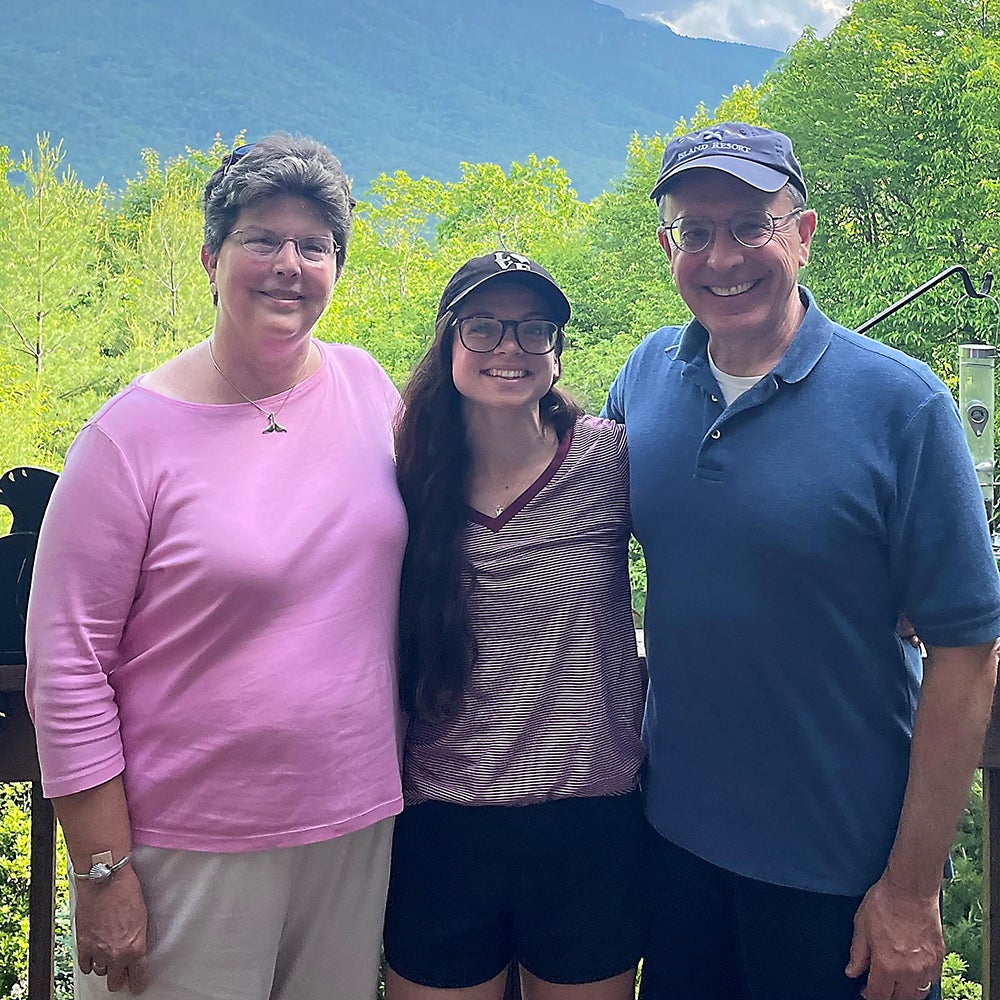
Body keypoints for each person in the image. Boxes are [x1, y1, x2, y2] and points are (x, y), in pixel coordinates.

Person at [603, 122, 1000, 1000]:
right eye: (694, 232)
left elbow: (968, 653)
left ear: (804, 231)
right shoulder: (644, 378)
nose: (723, 256)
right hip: (674, 854)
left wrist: (911, 890)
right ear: (669, 246)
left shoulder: (904, 406)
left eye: (751, 224)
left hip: (843, 877)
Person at [25, 134, 407, 999]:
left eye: (315, 246)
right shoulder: (127, 439)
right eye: (261, 240)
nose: (288, 265)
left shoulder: (366, 388)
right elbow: (67, 667)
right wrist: (101, 870)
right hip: (183, 850)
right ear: (210, 257)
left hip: (353, 828)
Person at [384, 251, 646, 1000]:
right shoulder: (401, 477)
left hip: (588, 823)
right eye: (485, 327)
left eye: (535, 330)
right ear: (449, 340)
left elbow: (722, 532)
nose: (510, 347)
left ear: (558, 352)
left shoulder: (611, 460)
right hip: (443, 821)